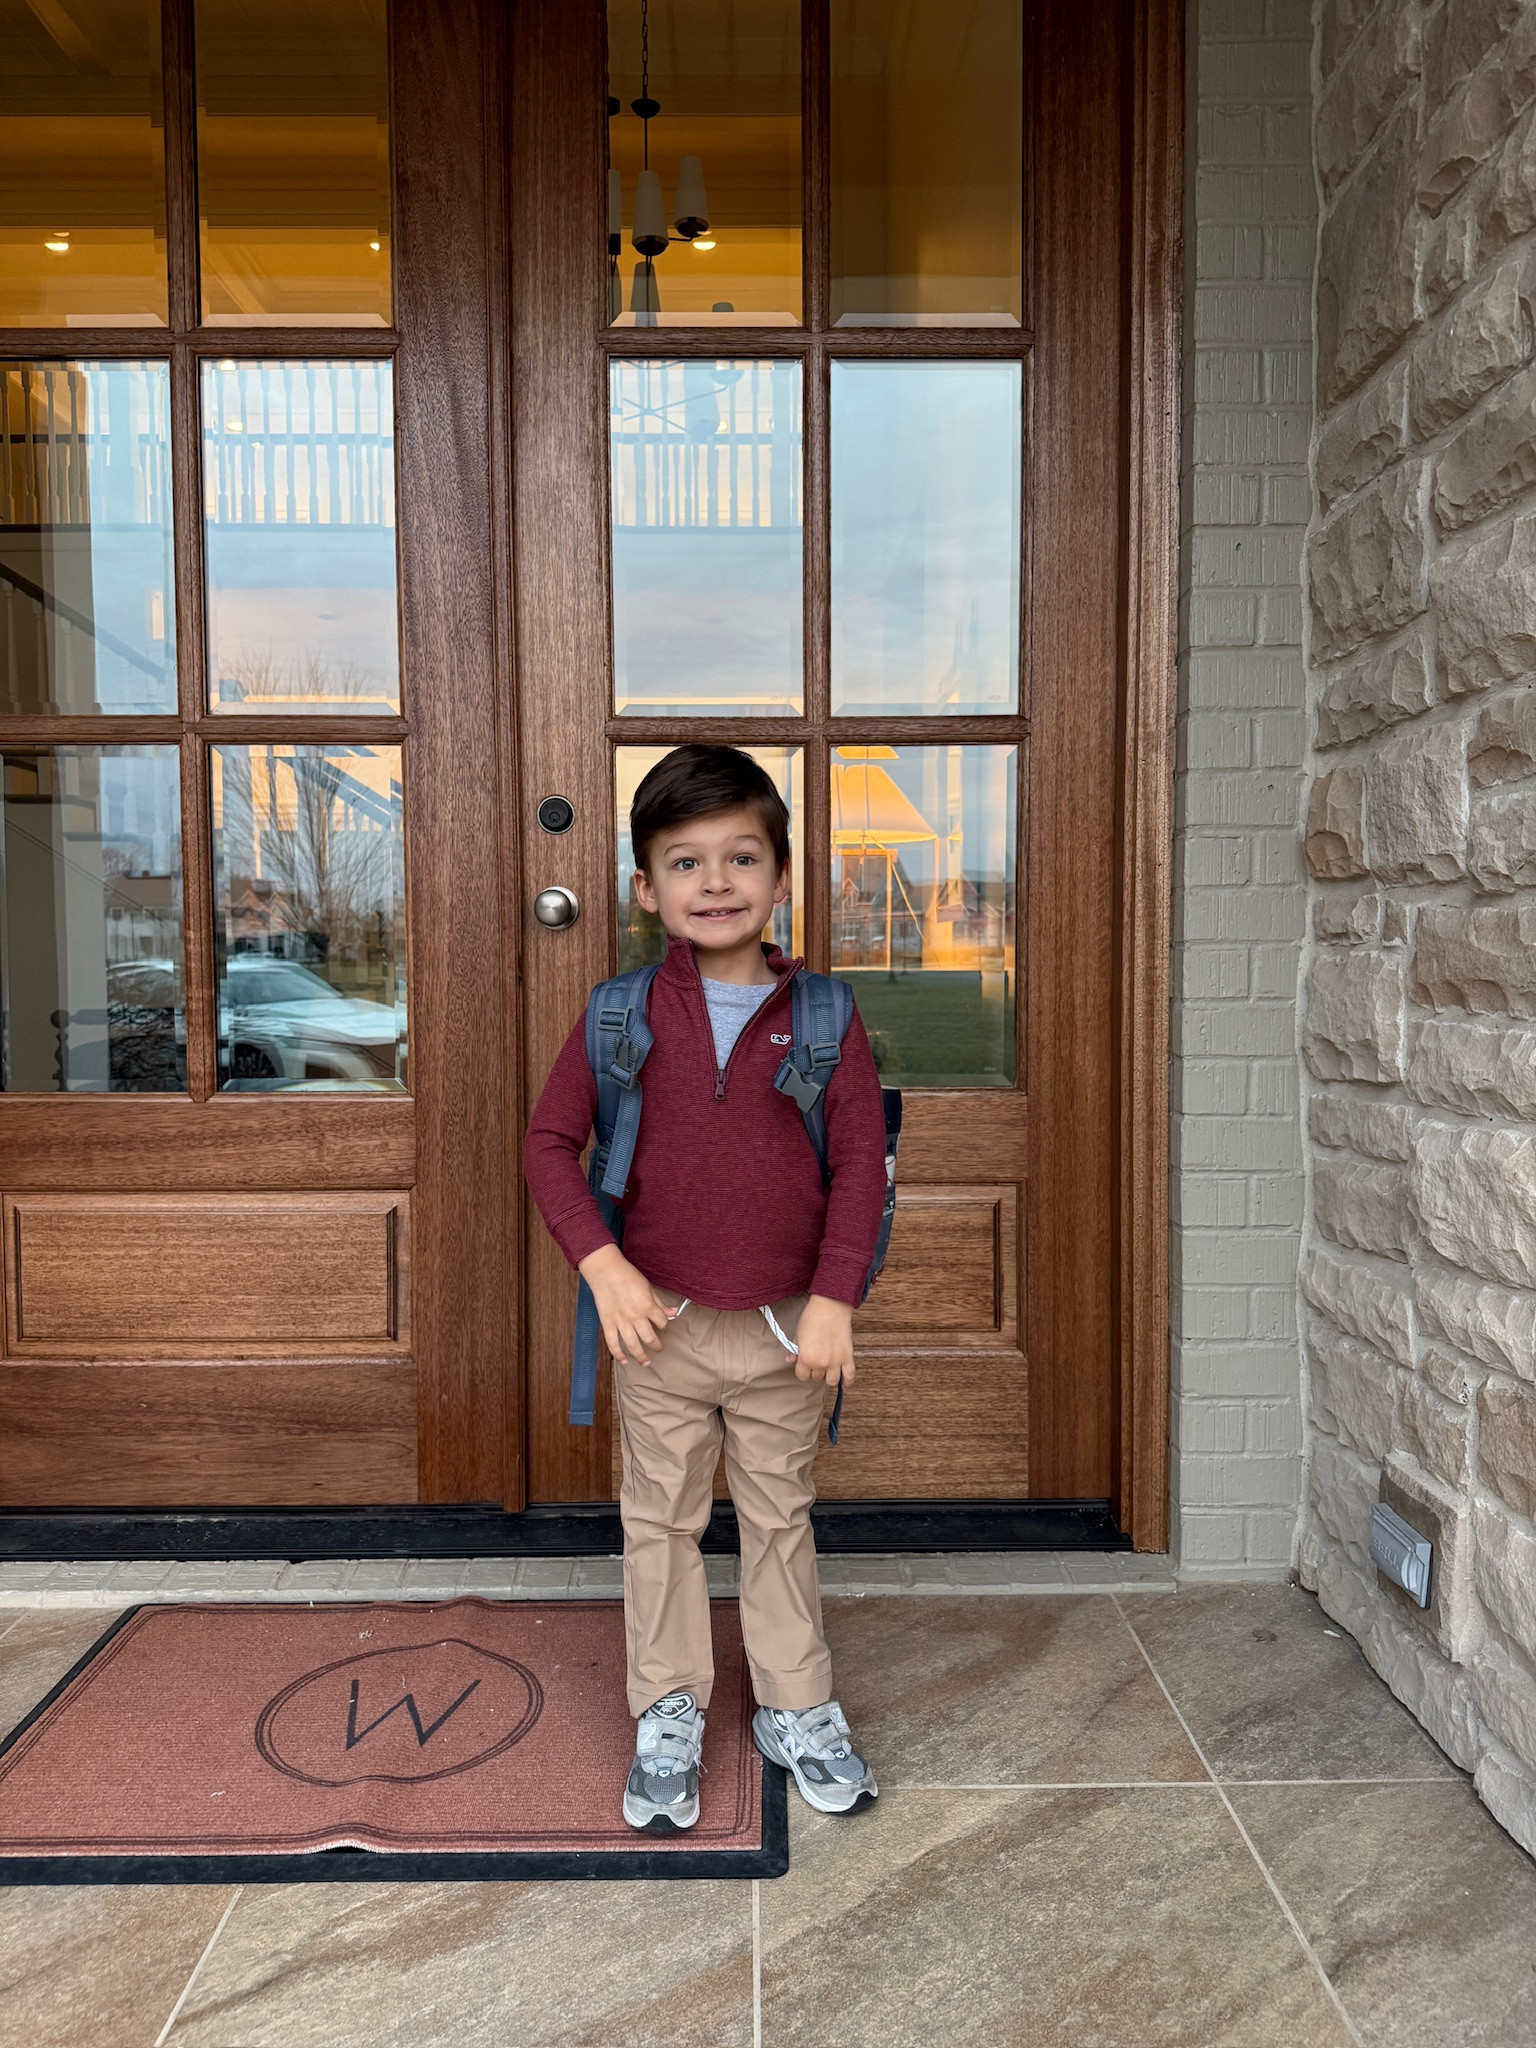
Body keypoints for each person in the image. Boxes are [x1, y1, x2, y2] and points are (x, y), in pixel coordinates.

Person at [524, 743, 888, 1830]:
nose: (715, 881)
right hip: (660, 1332)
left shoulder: (825, 1015)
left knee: (780, 1517)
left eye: (741, 857)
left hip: (786, 1333)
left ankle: (795, 1700)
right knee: (663, 1519)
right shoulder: (619, 1014)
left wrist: (835, 1298)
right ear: (647, 888)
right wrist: (605, 1266)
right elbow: (550, 1144)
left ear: (781, 878)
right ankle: (671, 1704)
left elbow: (863, 1162)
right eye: (686, 861)